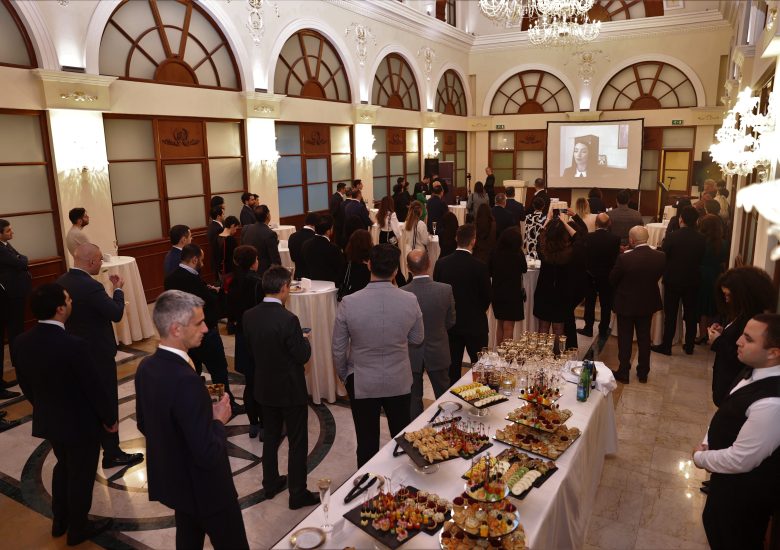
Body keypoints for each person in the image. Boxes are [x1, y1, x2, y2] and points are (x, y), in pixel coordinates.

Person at [135, 290, 249, 550]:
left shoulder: (146, 367)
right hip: (208, 490)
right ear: (176, 329)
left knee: (188, 540)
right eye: (199, 323)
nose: (207, 328)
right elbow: (208, 452)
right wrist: (218, 420)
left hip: (178, 484)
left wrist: (194, 419)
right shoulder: (185, 380)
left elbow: (146, 423)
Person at [13, 283, 116, 545]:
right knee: (81, 475)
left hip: (50, 419)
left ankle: (60, 520)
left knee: (64, 467)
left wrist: (43, 405)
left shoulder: (21, 342)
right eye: (68, 299)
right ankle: (78, 528)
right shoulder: (74, 345)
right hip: (80, 423)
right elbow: (92, 386)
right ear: (60, 309)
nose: (71, 302)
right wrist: (108, 418)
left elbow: (25, 383)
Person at [694, 313, 780, 550]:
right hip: (726, 486)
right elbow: (728, 411)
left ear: (774, 352)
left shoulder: (772, 404)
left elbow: (741, 459)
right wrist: (708, 440)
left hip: (743, 498)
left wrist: (701, 457)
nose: (738, 341)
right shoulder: (753, 369)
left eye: (749, 339)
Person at [333, 244, 424, 467]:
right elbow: (417, 338)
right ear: (395, 271)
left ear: (369, 265)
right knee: (401, 438)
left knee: (366, 442)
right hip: (399, 378)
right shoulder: (409, 299)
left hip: (362, 379)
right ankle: (402, 489)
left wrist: (345, 376)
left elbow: (338, 348)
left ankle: (366, 489)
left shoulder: (349, 302)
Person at [57, 243, 143, 469]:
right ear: (92, 262)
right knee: (106, 401)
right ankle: (112, 452)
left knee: (86, 402)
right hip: (97, 353)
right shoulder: (91, 286)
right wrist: (118, 290)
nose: (101, 265)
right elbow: (115, 313)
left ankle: (92, 449)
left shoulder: (61, 282)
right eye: (100, 261)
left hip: (74, 352)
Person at [243, 266, 319, 509]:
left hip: (264, 387)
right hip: (290, 389)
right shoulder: (288, 319)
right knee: (297, 442)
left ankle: (270, 482)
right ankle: (297, 493)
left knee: (272, 437)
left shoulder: (249, 315)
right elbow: (301, 356)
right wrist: (305, 341)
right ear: (284, 288)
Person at [164, 243, 241, 416]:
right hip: (205, 333)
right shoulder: (192, 279)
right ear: (194, 259)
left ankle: (194, 404)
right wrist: (216, 294)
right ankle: (225, 404)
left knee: (193, 370)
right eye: (202, 260)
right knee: (218, 369)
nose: (203, 264)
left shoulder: (171, 278)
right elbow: (207, 302)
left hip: (184, 335)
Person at [707, 267, 777, 406]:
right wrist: (723, 331)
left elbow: (742, 356)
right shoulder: (739, 312)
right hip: (725, 378)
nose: (726, 300)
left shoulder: (752, 320)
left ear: (742, 294)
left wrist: (718, 341)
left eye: (728, 295)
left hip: (732, 380)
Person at [434, 224, 491, 385]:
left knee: (452, 370)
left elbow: (439, 293)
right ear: (473, 241)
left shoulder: (441, 264)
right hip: (475, 323)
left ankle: (452, 402)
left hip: (451, 325)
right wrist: (479, 309)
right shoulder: (480, 266)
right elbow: (487, 296)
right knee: (479, 368)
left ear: (456, 239)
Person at [609, 226, 666, 383]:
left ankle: (624, 372)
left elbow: (612, 279)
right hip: (647, 302)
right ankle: (643, 372)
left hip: (626, 302)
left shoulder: (624, 258)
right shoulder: (660, 257)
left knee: (625, 338)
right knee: (644, 338)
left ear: (631, 240)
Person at [403, 250, 455, 419]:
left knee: (413, 400)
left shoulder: (402, 293)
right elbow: (450, 321)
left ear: (408, 268)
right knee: (444, 396)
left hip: (411, 353)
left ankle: (413, 435)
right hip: (438, 349)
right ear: (429, 264)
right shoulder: (445, 290)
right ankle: (448, 431)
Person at [652, 205, 706, 356]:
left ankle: (667, 345)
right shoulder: (701, 239)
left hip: (673, 279)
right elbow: (701, 259)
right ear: (696, 220)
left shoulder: (672, 236)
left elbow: (664, 255)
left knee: (670, 315)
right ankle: (689, 346)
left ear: (681, 219)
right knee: (690, 314)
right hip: (693, 280)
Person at [226, 245, 264, 439]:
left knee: (250, 382)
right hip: (258, 336)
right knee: (263, 382)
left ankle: (253, 424)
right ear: (253, 262)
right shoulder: (257, 282)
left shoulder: (232, 280)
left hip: (242, 335)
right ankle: (266, 425)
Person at [532, 217, 583, 351]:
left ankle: (542, 356)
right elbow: (579, 238)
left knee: (543, 326)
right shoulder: (570, 252)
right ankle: (557, 355)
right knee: (559, 327)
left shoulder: (544, 251)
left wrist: (548, 220)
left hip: (544, 292)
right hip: (562, 294)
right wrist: (565, 224)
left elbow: (540, 235)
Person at [0, 219, 30, 398]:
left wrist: (21, 260)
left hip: (14, 296)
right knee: (14, 333)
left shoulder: (6, 245)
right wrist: (21, 260)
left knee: (16, 333)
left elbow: (22, 258)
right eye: (9, 230)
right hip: (8, 299)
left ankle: (17, 372)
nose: (12, 233)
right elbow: (21, 262)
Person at [578, 213, 620, 338]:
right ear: (609, 224)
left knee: (590, 302)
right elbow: (614, 258)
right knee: (606, 304)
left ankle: (588, 328)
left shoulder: (588, 237)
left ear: (596, 224)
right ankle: (603, 329)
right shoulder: (615, 239)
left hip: (590, 275)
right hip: (607, 275)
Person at [490, 227, 528, 344]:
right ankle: (506, 357)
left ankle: (499, 355)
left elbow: (489, 270)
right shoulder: (518, 254)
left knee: (500, 324)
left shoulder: (494, 252)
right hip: (513, 294)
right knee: (509, 327)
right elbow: (525, 269)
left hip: (497, 292)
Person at [695, 214, 729, 345]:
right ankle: (712, 331)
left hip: (701, 274)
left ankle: (702, 334)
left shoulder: (700, 241)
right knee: (712, 304)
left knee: (701, 304)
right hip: (716, 275)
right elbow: (723, 263)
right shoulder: (724, 243)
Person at [302, 214, 345, 284]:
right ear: (328, 231)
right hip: (330, 285)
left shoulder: (306, 244)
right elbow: (340, 269)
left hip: (313, 283)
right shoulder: (333, 248)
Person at [240, 204, 281, 276]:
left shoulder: (246, 228)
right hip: (263, 273)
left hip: (245, 270)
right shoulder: (270, 234)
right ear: (268, 215)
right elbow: (275, 259)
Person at [400, 200, 429, 280]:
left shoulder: (405, 223)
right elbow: (425, 241)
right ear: (420, 211)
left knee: (410, 275)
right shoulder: (421, 224)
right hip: (419, 254)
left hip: (408, 252)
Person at [338, 229, 372, 298]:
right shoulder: (373, 266)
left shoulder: (348, 265)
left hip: (351, 299)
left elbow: (339, 281)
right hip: (368, 298)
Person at [287, 212, 318, 279]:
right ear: (315, 224)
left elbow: (293, 258)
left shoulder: (292, 236)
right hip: (313, 277)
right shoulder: (315, 238)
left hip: (298, 275)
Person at [214, 215, 239, 282]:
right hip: (229, 271)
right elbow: (236, 256)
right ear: (232, 225)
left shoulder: (217, 237)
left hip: (220, 270)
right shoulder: (230, 239)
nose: (235, 231)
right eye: (236, 228)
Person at [207, 205, 224, 281]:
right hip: (219, 258)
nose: (224, 215)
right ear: (218, 216)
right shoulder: (218, 228)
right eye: (223, 214)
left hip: (215, 258)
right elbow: (219, 246)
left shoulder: (212, 225)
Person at [330, 182, 347, 248]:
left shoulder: (334, 196)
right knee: (338, 239)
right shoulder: (338, 198)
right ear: (341, 189)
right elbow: (335, 211)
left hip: (337, 222)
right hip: (338, 222)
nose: (346, 190)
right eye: (345, 188)